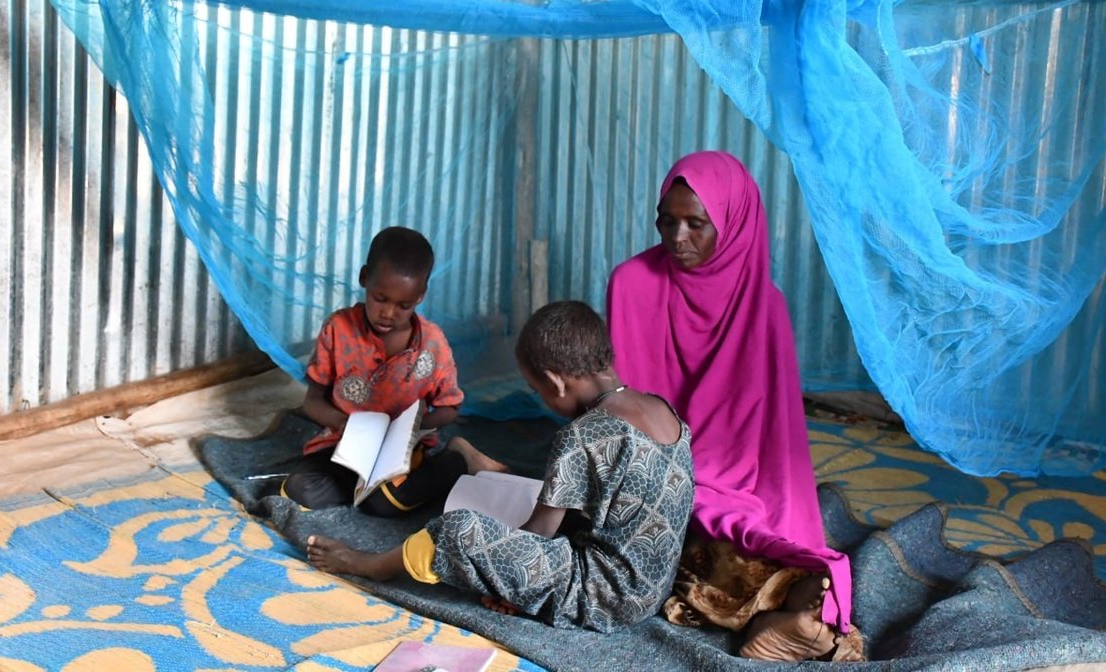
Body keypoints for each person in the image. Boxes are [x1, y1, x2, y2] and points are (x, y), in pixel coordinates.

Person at [606, 151, 863, 661]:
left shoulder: (764, 310)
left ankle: (791, 614)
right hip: (657, 468)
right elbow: (622, 407)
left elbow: (779, 438)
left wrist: (783, 523)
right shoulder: (632, 284)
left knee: (759, 538)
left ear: (734, 223)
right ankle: (782, 616)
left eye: (696, 224)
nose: (678, 237)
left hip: (735, 481)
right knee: (651, 532)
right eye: (667, 220)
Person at [305, 301, 695, 633]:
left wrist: (508, 577)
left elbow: (538, 535)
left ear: (556, 383)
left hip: (604, 598)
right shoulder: (667, 412)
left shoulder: (583, 435)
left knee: (460, 531)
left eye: (536, 390)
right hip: (653, 588)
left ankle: (371, 565)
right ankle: (481, 471)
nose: (541, 399)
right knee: (553, 498)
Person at [286, 226, 506, 517]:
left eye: (403, 305)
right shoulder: (338, 329)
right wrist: (346, 425)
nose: (388, 313)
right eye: (380, 299)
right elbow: (313, 401)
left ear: (420, 296)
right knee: (299, 490)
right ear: (364, 278)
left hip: (401, 454)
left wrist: (411, 430)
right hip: (343, 447)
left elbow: (450, 407)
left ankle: (459, 457)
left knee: (387, 503)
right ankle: (365, 490)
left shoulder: (432, 343)